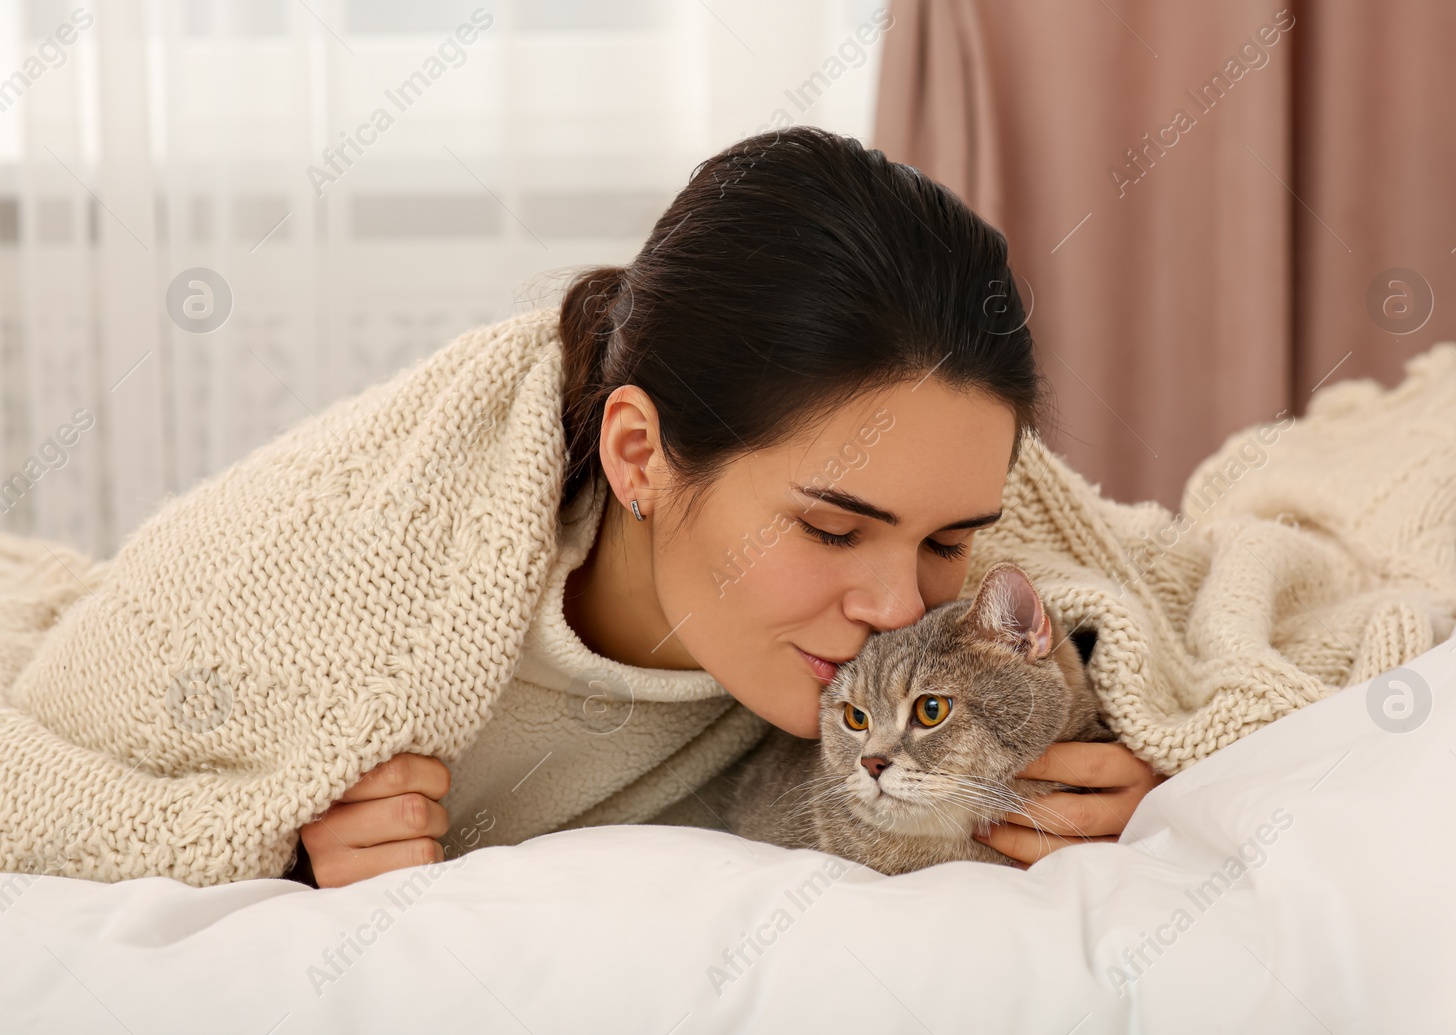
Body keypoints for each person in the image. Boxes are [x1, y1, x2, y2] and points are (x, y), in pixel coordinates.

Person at [283, 126, 1164, 888]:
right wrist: (291, 851)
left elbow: (1208, 603)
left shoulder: (934, 491)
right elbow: (159, 793)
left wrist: (1152, 755)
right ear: (639, 456)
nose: (899, 608)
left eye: (949, 541)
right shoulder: (355, 582)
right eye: (832, 528)